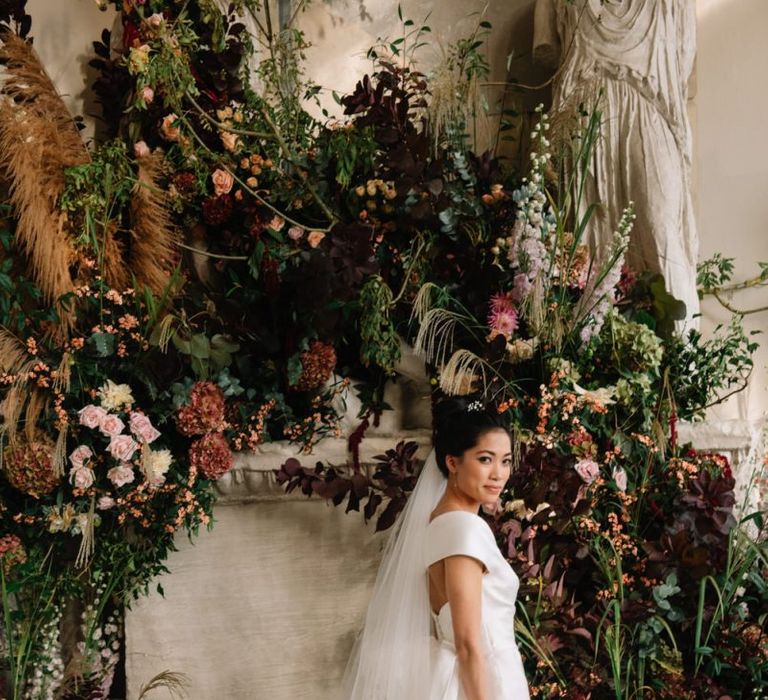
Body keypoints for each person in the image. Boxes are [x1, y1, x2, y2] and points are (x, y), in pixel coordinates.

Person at [341, 398, 530, 699]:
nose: (498, 473)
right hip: (486, 684)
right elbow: (468, 645)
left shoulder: (438, 523)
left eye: (505, 460)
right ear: (453, 462)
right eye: (485, 459)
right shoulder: (464, 530)